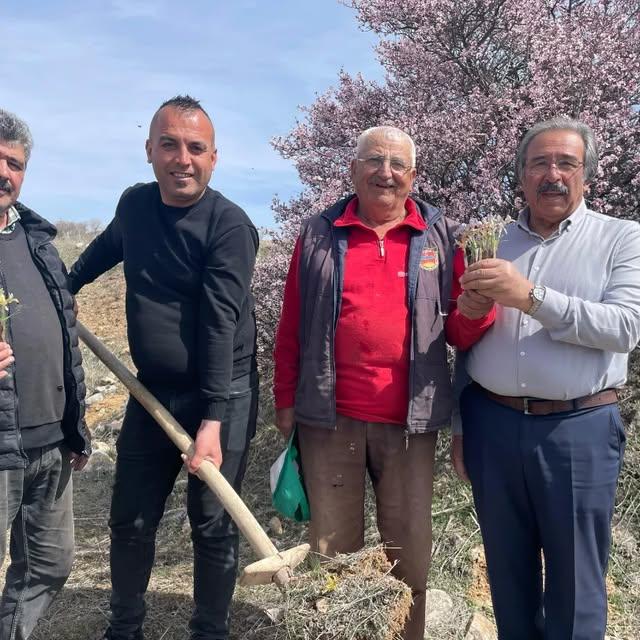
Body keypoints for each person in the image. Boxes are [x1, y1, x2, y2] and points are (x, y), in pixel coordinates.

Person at [273, 125, 487, 640]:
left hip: (409, 425)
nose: (384, 172)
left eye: (396, 163)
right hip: (329, 419)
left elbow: (459, 330)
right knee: (333, 550)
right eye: (373, 160)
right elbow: (292, 324)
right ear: (352, 171)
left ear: (412, 177)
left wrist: (480, 314)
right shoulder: (318, 233)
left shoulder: (441, 236)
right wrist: (285, 399)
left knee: (409, 551)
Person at [68, 96, 259, 640]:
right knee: (129, 519)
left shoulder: (229, 227)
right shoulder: (135, 206)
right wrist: (66, 287)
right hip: (150, 392)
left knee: (212, 524)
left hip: (225, 392)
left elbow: (221, 323)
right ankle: (124, 628)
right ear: (149, 150)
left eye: (196, 148)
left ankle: (209, 631)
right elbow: (105, 249)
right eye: (169, 145)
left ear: (214, 158)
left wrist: (214, 418)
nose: (183, 159)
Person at [447, 117, 640, 639]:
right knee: (506, 575)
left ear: (586, 176)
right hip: (491, 424)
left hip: (578, 428)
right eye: (539, 163)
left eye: (566, 164)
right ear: (522, 175)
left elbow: (626, 328)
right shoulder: (492, 240)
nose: (552, 174)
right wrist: (461, 428)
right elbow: (467, 341)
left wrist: (531, 298)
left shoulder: (621, 238)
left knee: (577, 582)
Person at [0, 108, 91, 639]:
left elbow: (67, 342)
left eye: (15, 163)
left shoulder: (40, 245)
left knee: (49, 564)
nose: (4, 173)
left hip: (51, 443)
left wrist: (75, 424)